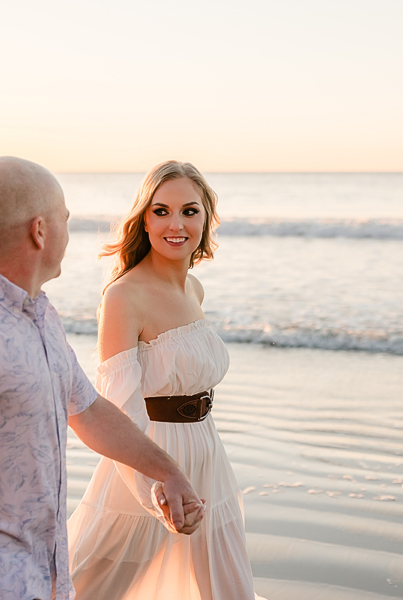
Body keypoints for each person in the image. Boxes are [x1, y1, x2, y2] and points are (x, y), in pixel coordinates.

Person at [0, 157, 205, 600]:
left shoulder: (39, 316)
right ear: (40, 230)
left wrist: (168, 472)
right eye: (65, 220)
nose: (67, 234)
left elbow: (91, 411)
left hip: (49, 580)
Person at [67, 160, 260, 599]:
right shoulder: (123, 296)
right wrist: (153, 486)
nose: (176, 224)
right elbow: (118, 406)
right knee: (92, 589)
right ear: (144, 219)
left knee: (230, 590)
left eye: (189, 211)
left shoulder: (194, 290)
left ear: (206, 217)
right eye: (161, 211)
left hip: (208, 452)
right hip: (148, 455)